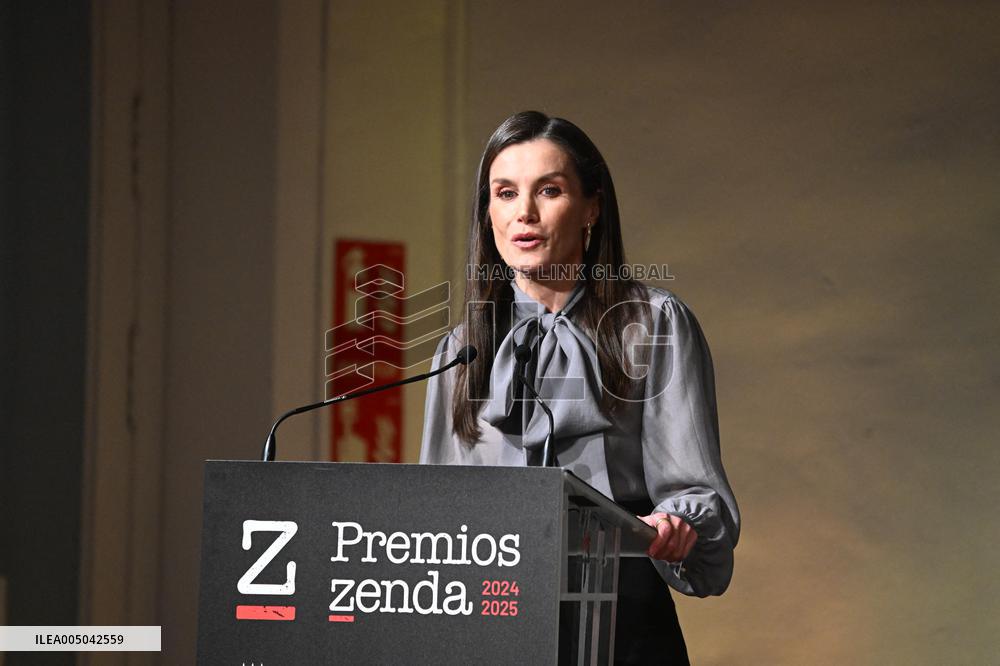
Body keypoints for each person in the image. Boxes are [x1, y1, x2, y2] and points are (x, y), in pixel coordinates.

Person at [419, 110, 740, 665]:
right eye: (504, 193)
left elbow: (695, 486)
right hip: (493, 627)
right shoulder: (461, 348)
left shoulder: (654, 325)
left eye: (549, 190)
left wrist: (677, 523)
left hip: (621, 621)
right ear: (487, 212)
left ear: (592, 207)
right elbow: (437, 516)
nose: (524, 213)